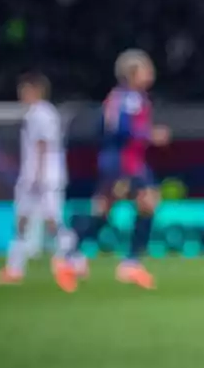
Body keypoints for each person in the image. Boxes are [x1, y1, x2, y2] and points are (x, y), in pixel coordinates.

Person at [70, 49, 170, 289]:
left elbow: (100, 127)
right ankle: (129, 263)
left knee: (105, 209)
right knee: (146, 201)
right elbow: (121, 129)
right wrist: (149, 134)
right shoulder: (131, 99)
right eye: (146, 69)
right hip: (126, 163)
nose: (151, 73)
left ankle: (74, 254)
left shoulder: (117, 97)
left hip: (118, 161)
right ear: (132, 73)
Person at [0, 72, 78, 292]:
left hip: (42, 177)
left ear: (35, 90)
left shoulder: (41, 113)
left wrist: (37, 176)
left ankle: (73, 259)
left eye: (25, 89)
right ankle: (14, 269)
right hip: (37, 176)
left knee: (51, 221)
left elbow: (42, 145)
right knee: (23, 220)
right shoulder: (39, 113)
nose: (21, 94)